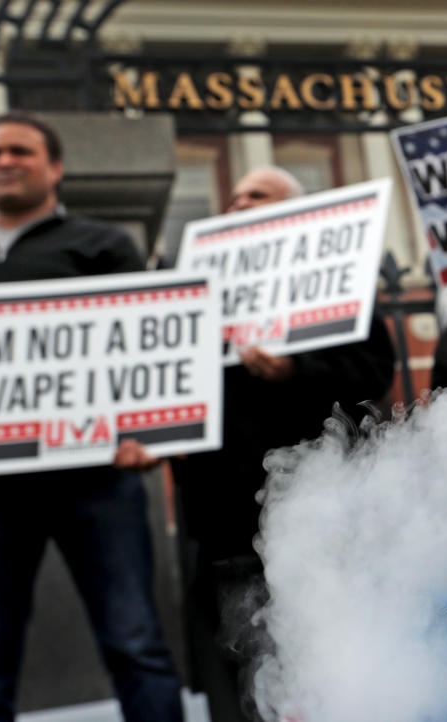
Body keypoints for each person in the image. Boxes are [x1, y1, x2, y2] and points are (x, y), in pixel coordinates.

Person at [118, 166, 396, 722]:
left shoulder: (337, 281)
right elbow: (164, 387)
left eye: (259, 195)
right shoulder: (196, 297)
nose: (240, 203)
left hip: (320, 524)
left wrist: (295, 371)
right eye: (235, 196)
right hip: (222, 528)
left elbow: (372, 373)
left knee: (330, 677)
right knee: (239, 682)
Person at [0, 113, 184, 721]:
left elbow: (145, 348)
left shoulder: (104, 245)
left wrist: (147, 433)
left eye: (19, 150)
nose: (4, 161)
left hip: (95, 474)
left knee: (135, 645)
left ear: (56, 167)